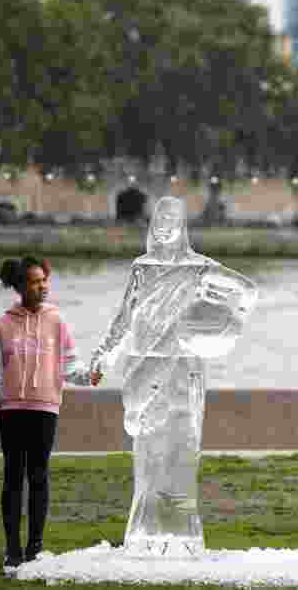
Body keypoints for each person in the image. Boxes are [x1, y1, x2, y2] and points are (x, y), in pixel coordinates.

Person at [89, 196, 258, 557]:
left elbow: (247, 290)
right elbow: (124, 318)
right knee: (147, 454)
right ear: (153, 223)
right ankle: (144, 534)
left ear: (182, 225)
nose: (165, 224)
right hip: (143, 361)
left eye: (172, 219)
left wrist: (229, 323)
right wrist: (103, 356)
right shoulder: (142, 267)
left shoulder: (198, 268)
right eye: (159, 218)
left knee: (181, 451)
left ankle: (183, 534)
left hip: (183, 368)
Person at [0, 256, 102, 574]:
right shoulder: (2, 325)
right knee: (12, 479)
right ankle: (12, 550)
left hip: (45, 410)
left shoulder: (57, 322)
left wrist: (88, 375)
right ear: (20, 286)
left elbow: (70, 366)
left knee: (38, 477)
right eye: (35, 281)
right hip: (11, 412)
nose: (43, 286)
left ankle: (35, 549)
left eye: (45, 280)